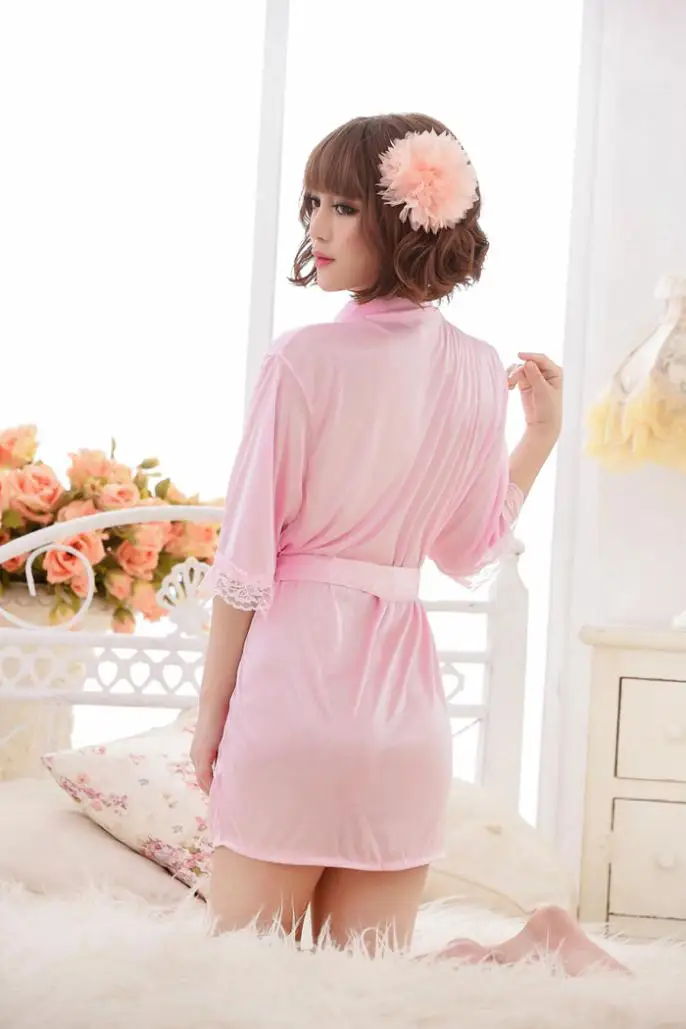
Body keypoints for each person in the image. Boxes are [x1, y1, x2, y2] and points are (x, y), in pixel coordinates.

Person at [191, 112, 624, 975]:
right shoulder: (477, 366)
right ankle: (526, 952)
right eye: (312, 202)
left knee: (241, 985)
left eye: (344, 206)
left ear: (402, 220)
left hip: (294, 701)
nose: (317, 227)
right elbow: (466, 550)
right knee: (366, 993)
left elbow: (245, 564)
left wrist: (210, 721)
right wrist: (538, 439)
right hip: (404, 723)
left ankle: (526, 953)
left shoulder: (302, 358)